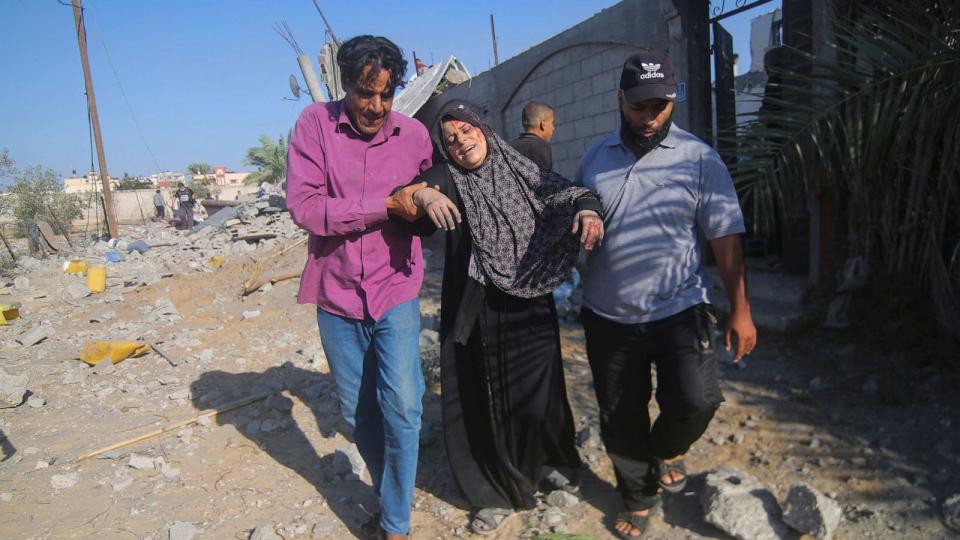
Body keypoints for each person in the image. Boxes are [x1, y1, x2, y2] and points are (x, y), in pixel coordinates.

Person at [574, 50, 758, 538]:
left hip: (680, 307)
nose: (650, 116)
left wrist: (741, 310)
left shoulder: (699, 158)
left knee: (698, 400)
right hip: (608, 314)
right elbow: (574, 215)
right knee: (620, 414)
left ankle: (666, 448)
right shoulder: (594, 159)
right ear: (620, 100)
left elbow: (725, 237)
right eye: (639, 106)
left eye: (660, 105)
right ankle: (637, 495)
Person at [407, 102, 604, 535]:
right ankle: (491, 488)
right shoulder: (448, 179)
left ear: (484, 129)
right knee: (483, 396)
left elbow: (568, 192)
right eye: (451, 139)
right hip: (477, 308)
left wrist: (588, 210)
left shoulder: (523, 167)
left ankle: (550, 464)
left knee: (540, 388)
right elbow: (410, 195)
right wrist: (424, 193)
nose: (461, 142)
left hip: (529, 297)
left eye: (466, 130)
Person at [285, 35, 433, 540]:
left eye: (386, 95)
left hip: (397, 287)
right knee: (358, 412)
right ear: (345, 85)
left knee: (405, 408)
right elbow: (306, 209)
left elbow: (433, 195)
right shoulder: (313, 126)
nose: (375, 107)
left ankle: (396, 524)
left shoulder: (415, 136)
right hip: (338, 293)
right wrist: (386, 205)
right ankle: (389, 494)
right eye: (365, 94)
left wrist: (424, 201)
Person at [510, 101, 555, 170]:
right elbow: (544, 178)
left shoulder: (510, 146)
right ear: (543, 124)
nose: (553, 128)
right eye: (552, 123)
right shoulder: (541, 146)